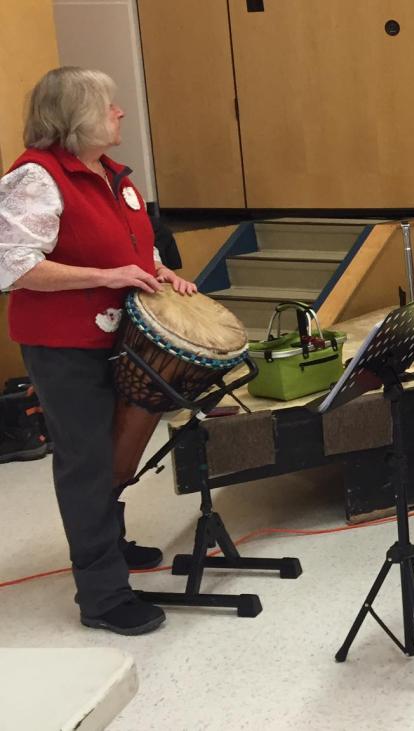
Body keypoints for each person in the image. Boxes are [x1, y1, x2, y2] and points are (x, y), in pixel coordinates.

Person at [0, 67, 198, 635]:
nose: (120, 114)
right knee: (85, 461)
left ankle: (108, 546)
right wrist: (108, 274)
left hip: (115, 336)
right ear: (76, 115)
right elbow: (15, 266)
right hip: (62, 343)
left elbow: (136, 247)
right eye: (109, 105)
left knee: (112, 448)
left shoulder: (113, 175)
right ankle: (103, 596)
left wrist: (161, 273)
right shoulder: (37, 178)